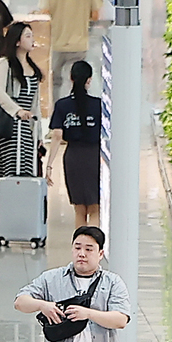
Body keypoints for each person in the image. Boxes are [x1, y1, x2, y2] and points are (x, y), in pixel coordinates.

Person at [0, 19, 41, 229]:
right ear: (17, 41)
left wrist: (37, 134)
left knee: (24, 173)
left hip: (27, 131)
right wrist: (17, 111)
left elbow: (36, 103)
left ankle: (16, 220)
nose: (32, 40)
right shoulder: (4, 63)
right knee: (7, 172)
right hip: (10, 128)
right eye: (28, 36)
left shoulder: (32, 67)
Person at [46, 60, 104, 230]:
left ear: (71, 79)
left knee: (79, 209)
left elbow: (57, 136)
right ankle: (93, 247)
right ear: (89, 80)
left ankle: (80, 247)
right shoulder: (98, 105)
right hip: (94, 157)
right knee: (95, 208)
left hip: (73, 157)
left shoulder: (62, 105)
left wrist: (49, 165)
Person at [40, 0, 104, 96]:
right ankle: (74, 109)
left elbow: (44, 13)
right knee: (75, 80)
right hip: (79, 44)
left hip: (56, 43)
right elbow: (96, 15)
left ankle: (57, 110)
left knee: (54, 81)